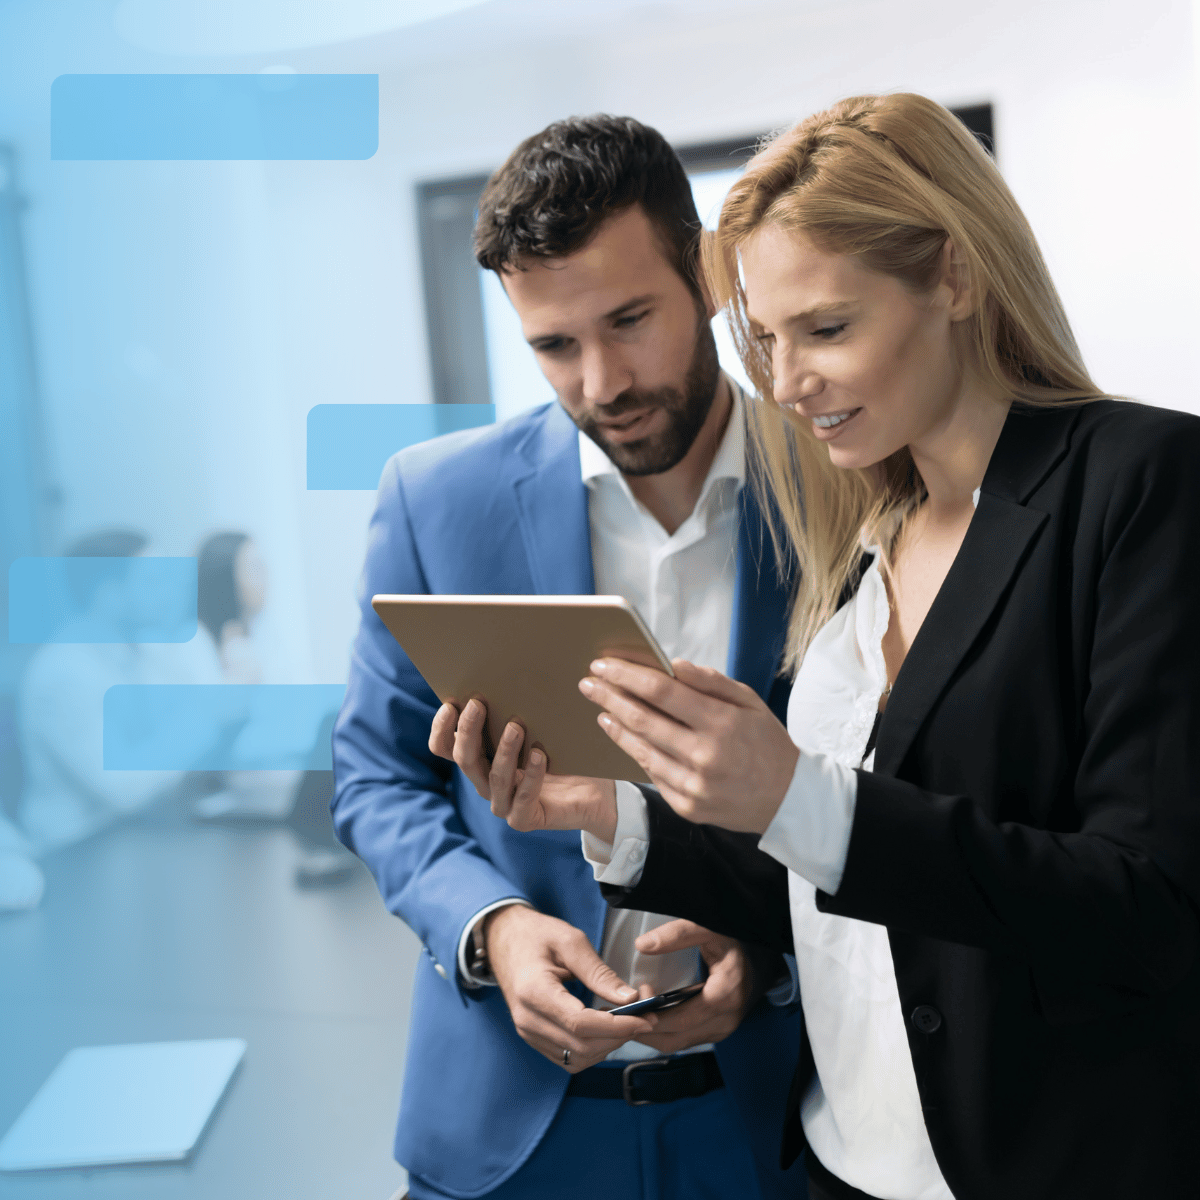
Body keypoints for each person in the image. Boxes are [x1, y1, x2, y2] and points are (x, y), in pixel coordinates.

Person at [468, 94, 1200, 1200]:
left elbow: (1145, 907)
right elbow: (825, 882)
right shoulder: (872, 528)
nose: (786, 383)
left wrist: (795, 793)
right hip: (840, 1163)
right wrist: (607, 815)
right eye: (763, 339)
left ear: (953, 277)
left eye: (827, 329)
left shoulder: (1140, 483)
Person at [332, 115, 809, 1199]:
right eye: (553, 346)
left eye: (630, 320)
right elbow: (372, 778)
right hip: (512, 1125)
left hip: (771, 1118)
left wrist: (770, 951)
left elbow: (891, 794)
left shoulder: (846, 486)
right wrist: (487, 929)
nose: (601, 382)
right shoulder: (434, 499)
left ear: (706, 273)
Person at [191, 531, 354, 887]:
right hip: (250, 782)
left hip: (287, 767)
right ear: (225, 579)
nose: (265, 577)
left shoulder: (267, 634)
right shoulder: (199, 647)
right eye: (252, 569)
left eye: (264, 566)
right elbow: (212, 737)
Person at [17, 529, 189, 850]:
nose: (167, 593)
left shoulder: (144, 652)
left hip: (136, 834)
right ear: (108, 593)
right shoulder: (62, 672)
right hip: (76, 852)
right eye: (152, 582)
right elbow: (123, 789)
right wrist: (201, 725)